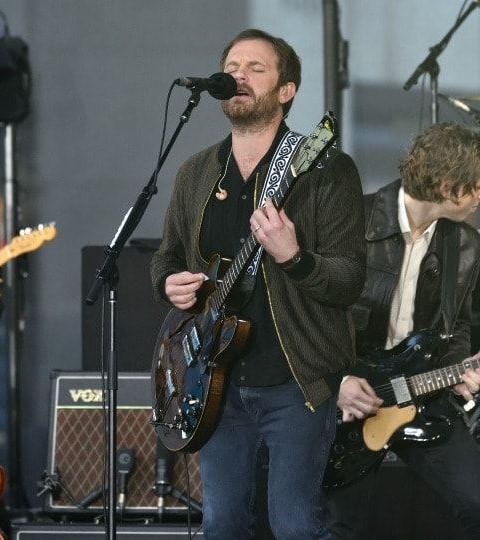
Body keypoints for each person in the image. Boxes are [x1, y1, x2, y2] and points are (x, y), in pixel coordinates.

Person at [150, 29, 365, 540]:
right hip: (214, 381)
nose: (238, 76)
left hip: (296, 382)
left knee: (295, 526)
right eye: (233, 66)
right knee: (221, 524)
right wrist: (168, 285)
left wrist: (294, 257)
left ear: (286, 90)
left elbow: (350, 280)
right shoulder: (197, 171)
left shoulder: (324, 169)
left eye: (256, 68)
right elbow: (167, 256)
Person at [326, 123, 480, 539]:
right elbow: (303, 317)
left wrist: (459, 367)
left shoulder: (464, 243)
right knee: (340, 527)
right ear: (448, 185)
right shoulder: (350, 220)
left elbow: (456, 324)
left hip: (420, 391)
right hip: (349, 397)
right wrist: (334, 381)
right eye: (478, 187)